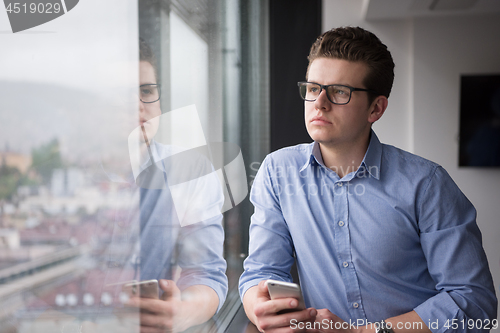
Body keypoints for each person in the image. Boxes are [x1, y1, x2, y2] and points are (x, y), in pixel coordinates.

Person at [239, 27, 497, 333]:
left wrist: (368, 332)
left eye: (338, 92)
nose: (319, 102)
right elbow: (261, 272)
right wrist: (261, 310)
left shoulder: (427, 184)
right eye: (312, 88)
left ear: (376, 108)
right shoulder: (276, 171)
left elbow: (474, 303)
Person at [102, 39, 228, 333]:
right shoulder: (67, 176)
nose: (138, 105)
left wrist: (183, 311)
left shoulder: (190, 170)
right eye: (122, 95)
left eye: (147, 91)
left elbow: (206, 273)